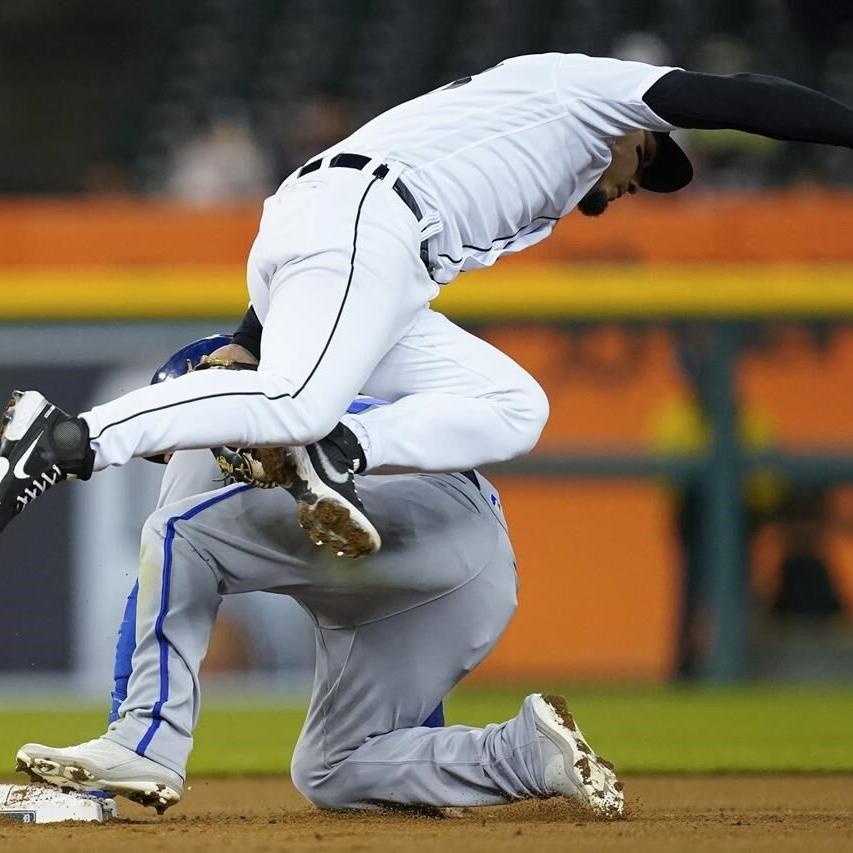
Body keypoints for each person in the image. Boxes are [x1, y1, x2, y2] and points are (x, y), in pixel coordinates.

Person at [6, 53, 853, 558]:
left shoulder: (535, 148)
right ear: (640, 128)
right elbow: (740, 99)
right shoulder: (594, 92)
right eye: (649, 162)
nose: (640, 179)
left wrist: (248, 337)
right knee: (296, 399)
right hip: (366, 222)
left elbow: (349, 239)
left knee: (512, 404)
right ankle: (68, 434)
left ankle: (338, 450)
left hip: (357, 242)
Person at [14, 349, 624, 818]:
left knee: (181, 531)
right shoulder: (316, 391)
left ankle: (145, 742)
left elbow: (169, 550)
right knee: (332, 769)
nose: (165, 455)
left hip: (423, 506)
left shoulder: (218, 414)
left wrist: (127, 732)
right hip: (468, 573)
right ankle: (522, 755)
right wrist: (420, 750)